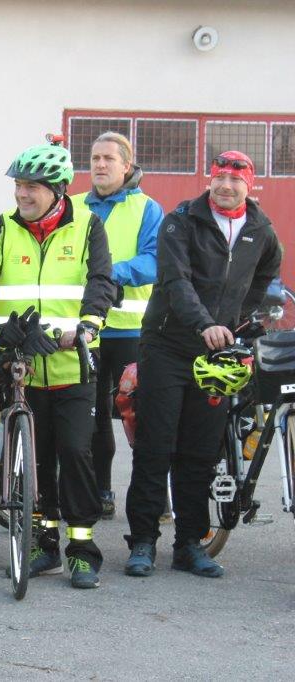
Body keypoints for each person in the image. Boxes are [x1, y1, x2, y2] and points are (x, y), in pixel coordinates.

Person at [0, 140, 114, 589]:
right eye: (19, 186)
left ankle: (82, 550)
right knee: (34, 459)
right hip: (19, 363)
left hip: (70, 363)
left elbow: (100, 281)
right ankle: (45, 543)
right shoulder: (1, 228)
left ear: (58, 189)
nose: (22, 194)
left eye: (32, 187)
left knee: (76, 452)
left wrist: (88, 325)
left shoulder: (88, 226)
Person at [124, 151, 281, 579]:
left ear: (250, 185)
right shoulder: (181, 221)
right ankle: (142, 542)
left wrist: (238, 320)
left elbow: (265, 275)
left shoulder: (261, 231)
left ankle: (189, 544)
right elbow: (175, 280)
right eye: (219, 178)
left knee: (200, 452)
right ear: (209, 180)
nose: (226, 186)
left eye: (236, 180)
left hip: (216, 353)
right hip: (167, 346)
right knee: (156, 446)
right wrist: (205, 323)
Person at [76, 132, 164, 519]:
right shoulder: (73, 205)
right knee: (93, 418)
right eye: (95, 158)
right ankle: (101, 492)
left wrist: (108, 272)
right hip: (87, 328)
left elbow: (155, 260)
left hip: (133, 331)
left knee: (140, 417)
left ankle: (156, 499)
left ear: (126, 166)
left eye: (108, 158)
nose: (100, 164)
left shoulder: (147, 208)